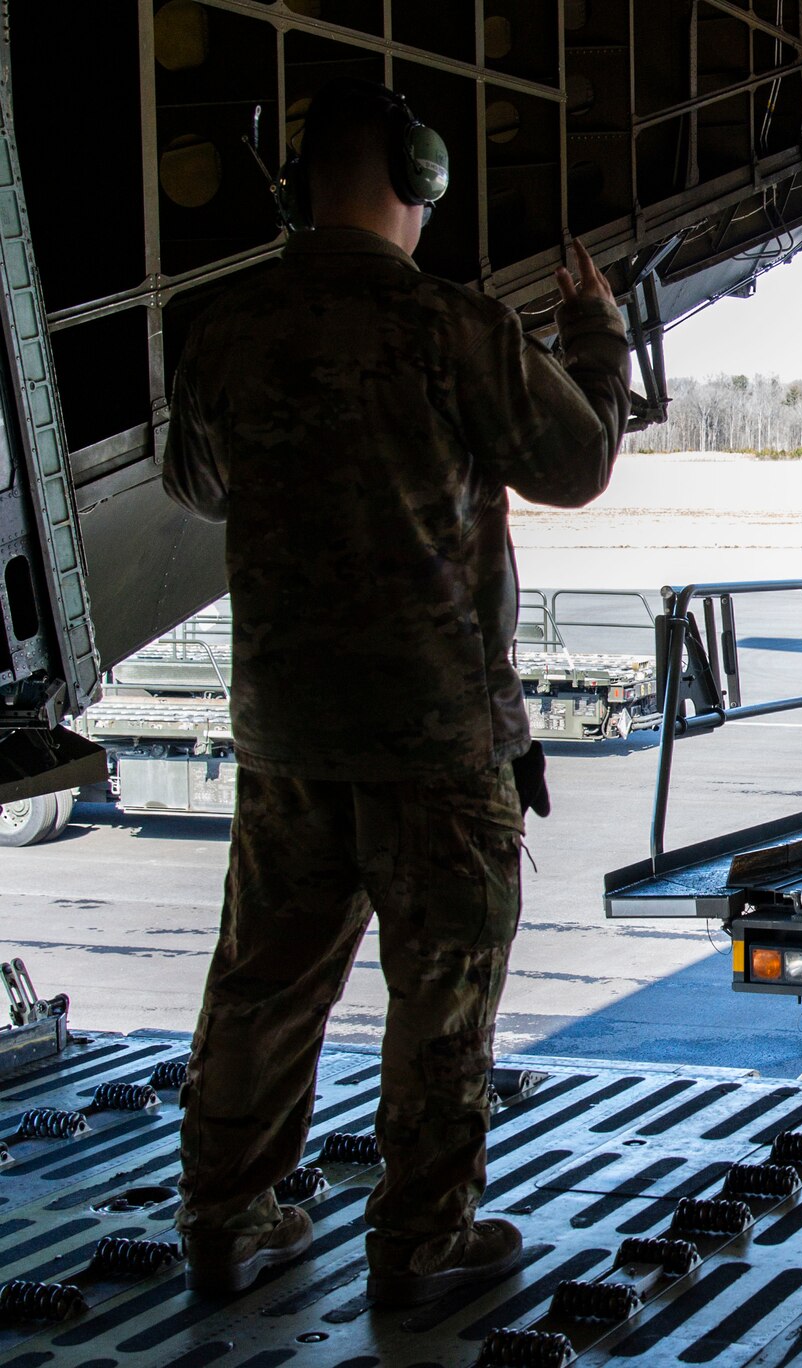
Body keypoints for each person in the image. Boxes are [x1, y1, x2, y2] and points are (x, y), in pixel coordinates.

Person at [162, 78, 630, 1302]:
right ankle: (420, 1243)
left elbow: (199, 484)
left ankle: (228, 1219)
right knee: (441, 998)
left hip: (288, 740)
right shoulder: (449, 327)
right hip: (435, 740)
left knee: (263, 987)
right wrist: (596, 338)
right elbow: (576, 465)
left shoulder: (217, 329)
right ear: (417, 183)